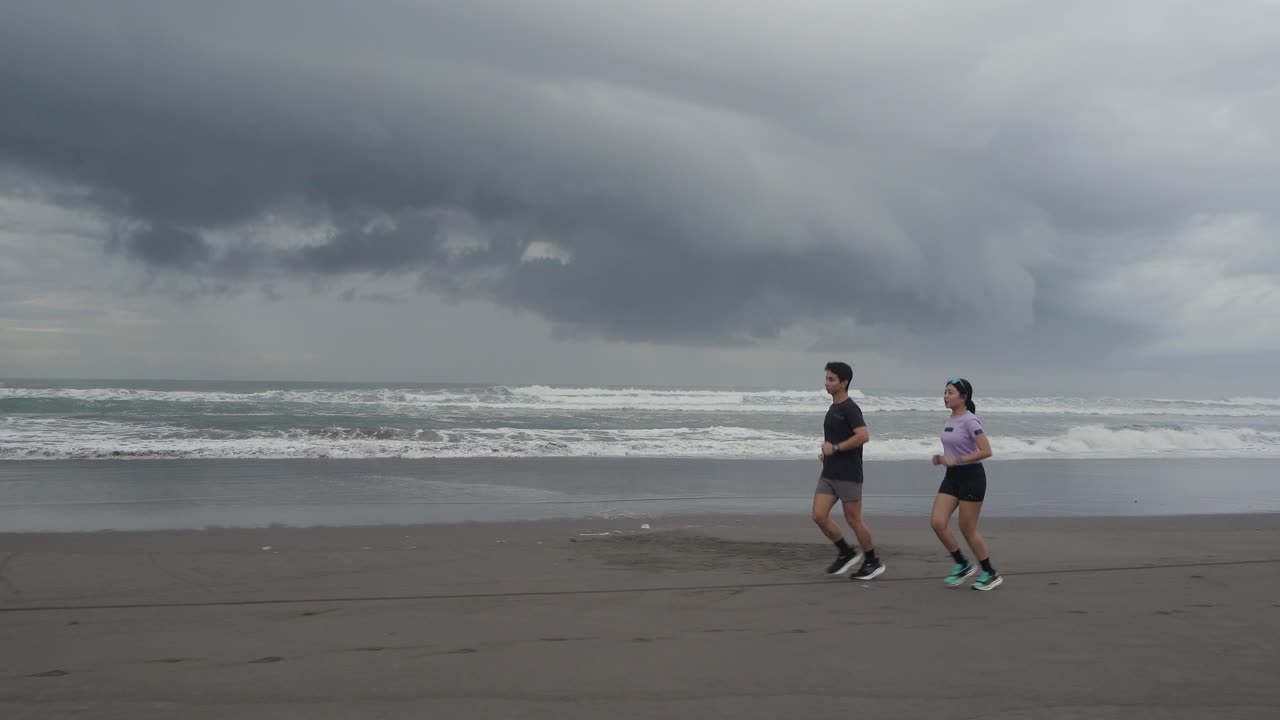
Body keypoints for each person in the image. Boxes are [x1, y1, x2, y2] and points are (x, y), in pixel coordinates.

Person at [812, 361, 883, 580]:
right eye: (826, 379)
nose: (827, 383)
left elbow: (863, 436)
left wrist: (835, 448)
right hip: (830, 472)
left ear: (844, 383)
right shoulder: (833, 407)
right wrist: (827, 453)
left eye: (831, 379)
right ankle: (846, 551)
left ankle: (872, 561)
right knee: (818, 515)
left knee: (854, 519)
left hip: (849, 474)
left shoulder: (850, 408)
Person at [929, 377, 1002, 590]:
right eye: (945, 392)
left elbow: (986, 451)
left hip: (972, 477)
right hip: (952, 477)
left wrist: (957, 460)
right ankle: (962, 564)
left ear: (964, 397)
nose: (945, 396)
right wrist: (943, 458)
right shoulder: (950, 420)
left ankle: (990, 572)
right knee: (937, 522)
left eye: (950, 393)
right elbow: (955, 448)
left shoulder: (971, 421)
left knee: (967, 529)